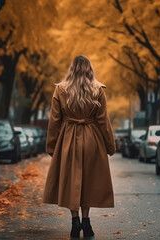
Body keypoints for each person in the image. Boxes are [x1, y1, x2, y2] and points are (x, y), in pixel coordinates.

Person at [43, 55, 116, 238]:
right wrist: (109, 145)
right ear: (89, 69)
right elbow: (103, 121)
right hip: (92, 139)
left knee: (71, 181)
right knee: (87, 181)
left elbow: (54, 121)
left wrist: (52, 146)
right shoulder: (98, 90)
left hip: (68, 138)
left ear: (72, 69)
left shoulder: (60, 89)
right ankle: (86, 221)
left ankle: (74, 221)